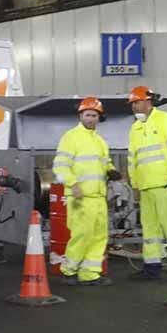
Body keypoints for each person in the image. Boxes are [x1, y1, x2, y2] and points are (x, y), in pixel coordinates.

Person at [52, 97, 122, 287]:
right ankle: (69, 271)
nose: (90, 119)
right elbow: (60, 166)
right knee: (81, 235)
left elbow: (104, 162)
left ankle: (90, 273)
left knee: (99, 236)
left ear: (99, 118)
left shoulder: (100, 140)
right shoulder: (71, 137)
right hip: (80, 196)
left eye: (94, 115)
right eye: (87, 115)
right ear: (80, 116)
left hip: (98, 196)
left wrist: (111, 169)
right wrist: (73, 184)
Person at [126, 86, 167, 282]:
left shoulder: (166, 120)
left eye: (136, 102)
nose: (134, 107)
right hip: (147, 186)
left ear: (148, 101)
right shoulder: (136, 128)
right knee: (150, 229)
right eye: (132, 104)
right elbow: (133, 159)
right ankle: (151, 267)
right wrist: (136, 185)